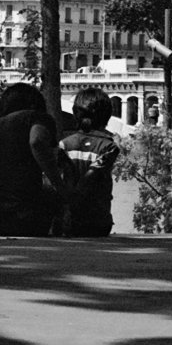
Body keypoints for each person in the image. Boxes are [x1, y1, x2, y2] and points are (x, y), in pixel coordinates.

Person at [0, 83, 71, 237]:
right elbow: (37, 141)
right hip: (22, 221)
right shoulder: (37, 117)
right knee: (51, 194)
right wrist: (60, 186)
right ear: (35, 104)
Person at [56, 87, 119, 237]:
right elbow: (92, 178)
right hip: (98, 222)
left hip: (68, 222)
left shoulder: (64, 145)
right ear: (107, 117)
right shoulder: (109, 147)